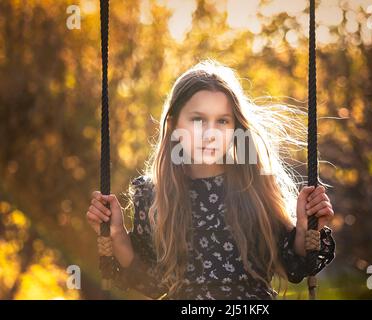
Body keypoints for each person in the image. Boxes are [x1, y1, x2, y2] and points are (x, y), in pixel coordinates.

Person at [87, 59, 336, 300]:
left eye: (222, 121)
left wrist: (306, 228)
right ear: (173, 125)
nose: (210, 134)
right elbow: (153, 284)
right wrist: (117, 233)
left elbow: (291, 266)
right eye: (198, 120)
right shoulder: (152, 194)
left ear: (235, 127)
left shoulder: (255, 186)